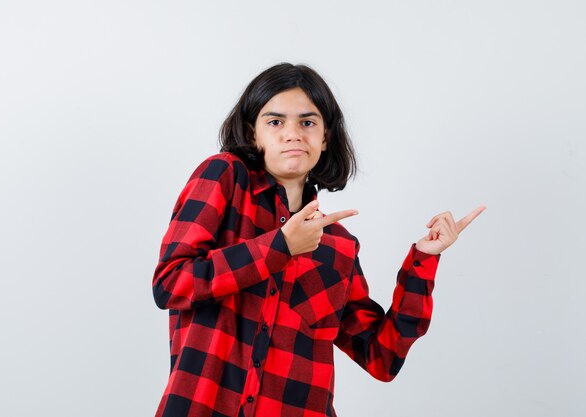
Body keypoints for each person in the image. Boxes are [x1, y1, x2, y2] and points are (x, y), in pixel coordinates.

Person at [152, 63, 485, 417]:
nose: (293, 134)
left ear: (325, 138)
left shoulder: (338, 245)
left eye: (308, 123)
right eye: (275, 121)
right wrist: (280, 247)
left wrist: (424, 260)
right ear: (253, 134)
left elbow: (381, 358)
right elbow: (171, 283)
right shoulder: (224, 177)